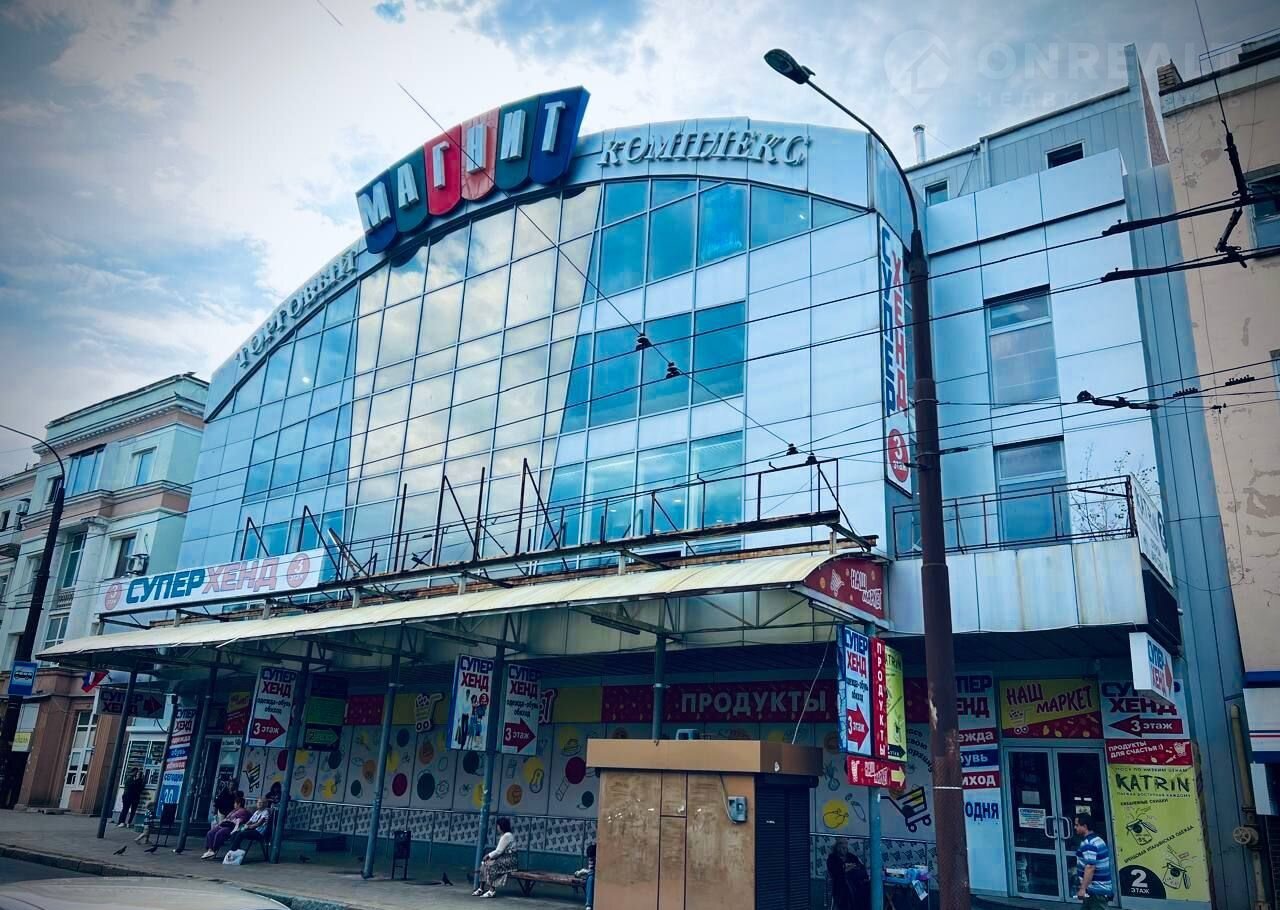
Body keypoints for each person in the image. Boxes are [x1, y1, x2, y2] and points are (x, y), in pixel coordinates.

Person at [1074, 812, 1113, 909]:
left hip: (1096, 891)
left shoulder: (1088, 844)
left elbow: (1090, 867)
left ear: (1085, 826)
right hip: (1096, 889)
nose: (1075, 827)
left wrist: (1082, 889)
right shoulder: (1098, 839)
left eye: (1077, 825)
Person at [473, 816, 518, 898]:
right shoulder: (504, 835)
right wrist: (489, 858)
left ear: (501, 826)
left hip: (509, 860)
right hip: (504, 858)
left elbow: (499, 851)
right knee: (484, 864)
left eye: (498, 826)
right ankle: (481, 888)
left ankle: (492, 890)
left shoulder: (507, 836)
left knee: (492, 866)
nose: (497, 828)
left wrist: (488, 855)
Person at [827, 840, 870, 910]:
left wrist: (852, 867)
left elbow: (861, 867)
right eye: (841, 844)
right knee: (848, 890)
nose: (844, 848)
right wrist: (845, 868)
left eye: (845, 845)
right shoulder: (832, 858)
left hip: (857, 882)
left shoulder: (851, 856)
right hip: (840, 884)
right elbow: (835, 871)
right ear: (836, 847)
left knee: (867, 888)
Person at [575, 842, 595, 910]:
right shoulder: (591, 857)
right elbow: (591, 870)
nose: (590, 861)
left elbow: (594, 872)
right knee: (589, 878)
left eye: (592, 859)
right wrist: (582, 872)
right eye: (589, 859)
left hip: (593, 878)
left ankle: (589, 905)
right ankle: (588, 904)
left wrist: (584, 872)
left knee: (591, 878)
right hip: (590, 876)